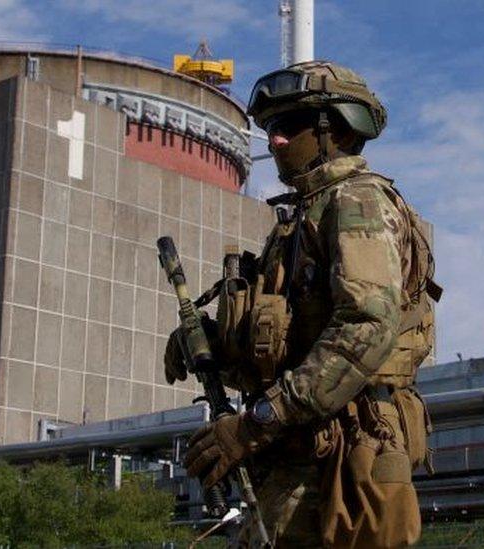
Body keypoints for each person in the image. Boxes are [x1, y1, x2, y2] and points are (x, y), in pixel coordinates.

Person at [164, 61, 439, 548]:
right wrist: (216, 348)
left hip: (344, 461)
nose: (275, 142)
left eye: (290, 126)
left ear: (336, 128)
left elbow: (365, 329)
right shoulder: (300, 220)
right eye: (270, 129)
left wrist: (254, 425)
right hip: (302, 457)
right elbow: (288, 353)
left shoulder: (357, 203)